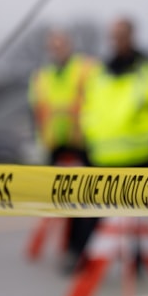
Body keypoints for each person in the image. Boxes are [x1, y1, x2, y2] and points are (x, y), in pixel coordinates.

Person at [75, 17, 148, 273]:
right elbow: (90, 108)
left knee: (139, 217)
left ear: (132, 35)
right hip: (103, 154)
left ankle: (137, 261)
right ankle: (87, 261)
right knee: (93, 215)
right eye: (113, 35)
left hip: (140, 153)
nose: (116, 41)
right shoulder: (100, 72)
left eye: (121, 34)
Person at [28, 30, 96, 267]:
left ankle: (78, 250)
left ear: (70, 45)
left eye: (61, 45)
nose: (57, 50)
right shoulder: (42, 76)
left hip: (83, 144)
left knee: (84, 202)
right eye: (53, 46)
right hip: (54, 145)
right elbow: (37, 111)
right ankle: (69, 249)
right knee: (60, 200)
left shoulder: (86, 70)